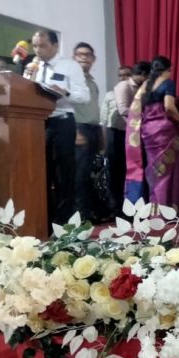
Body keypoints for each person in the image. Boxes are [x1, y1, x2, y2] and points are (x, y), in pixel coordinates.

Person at [30, 30, 91, 226]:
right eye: (35, 46)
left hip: (61, 122)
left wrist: (65, 92)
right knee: (41, 173)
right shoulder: (34, 66)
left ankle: (63, 224)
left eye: (42, 45)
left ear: (55, 46)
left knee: (63, 175)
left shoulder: (69, 66)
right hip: (36, 124)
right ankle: (45, 221)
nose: (37, 50)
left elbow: (84, 96)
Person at [126, 56, 179, 210]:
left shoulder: (145, 86)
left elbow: (137, 110)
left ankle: (155, 209)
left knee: (154, 172)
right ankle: (166, 210)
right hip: (165, 131)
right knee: (167, 172)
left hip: (148, 131)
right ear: (168, 69)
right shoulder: (168, 83)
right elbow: (169, 107)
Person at [71, 42, 102, 221]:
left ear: (93, 59)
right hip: (78, 129)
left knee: (90, 173)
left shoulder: (92, 82)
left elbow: (93, 109)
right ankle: (79, 217)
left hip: (93, 129)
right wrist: (74, 130)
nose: (84, 57)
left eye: (87, 55)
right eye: (80, 54)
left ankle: (87, 212)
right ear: (74, 57)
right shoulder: (71, 79)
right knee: (79, 175)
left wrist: (100, 133)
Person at [100, 66, 132, 214]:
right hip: (113, 134)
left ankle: (130, 205)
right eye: (121, 75)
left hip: (131, 135)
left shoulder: (135, 93)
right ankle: (115, 207)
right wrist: (104, 143)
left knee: (129, 170)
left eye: (127, 75)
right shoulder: (110, 95)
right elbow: (104, 119)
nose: (123, 78)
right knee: (114, 171)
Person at [118, 61, 151, 203]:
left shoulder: (141, 87)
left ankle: (142, 201)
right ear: (143, 74)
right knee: (129, 169)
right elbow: (123, 110)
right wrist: (145, 113)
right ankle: (128, 204)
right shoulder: (124, 86)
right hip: (120, 132)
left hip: (138, 132)